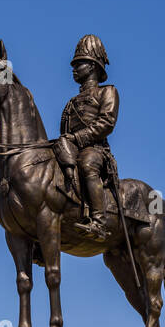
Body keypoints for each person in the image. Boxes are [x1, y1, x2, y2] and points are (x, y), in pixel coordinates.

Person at [55, 35, 119, 240]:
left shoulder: (107, 92)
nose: (73, 68)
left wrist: (77, 138)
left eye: (78, 64)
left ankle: (99, 221)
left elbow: (106, 123)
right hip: (73, 146)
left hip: (96, 150)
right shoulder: (71, 102)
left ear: (92, 66)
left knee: (87, 163)